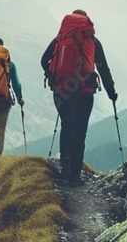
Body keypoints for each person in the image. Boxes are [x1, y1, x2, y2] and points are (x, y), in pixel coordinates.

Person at [41, 10, 117, 185]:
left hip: (61, 90)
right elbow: (103, 68)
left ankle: (65, 168)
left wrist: (52, 74)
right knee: (80, 131)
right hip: (84, 92)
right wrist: (111, 92)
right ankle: (75, 173)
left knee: (66, 126)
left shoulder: (60, 39)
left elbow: (43, 59)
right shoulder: (92, 41)